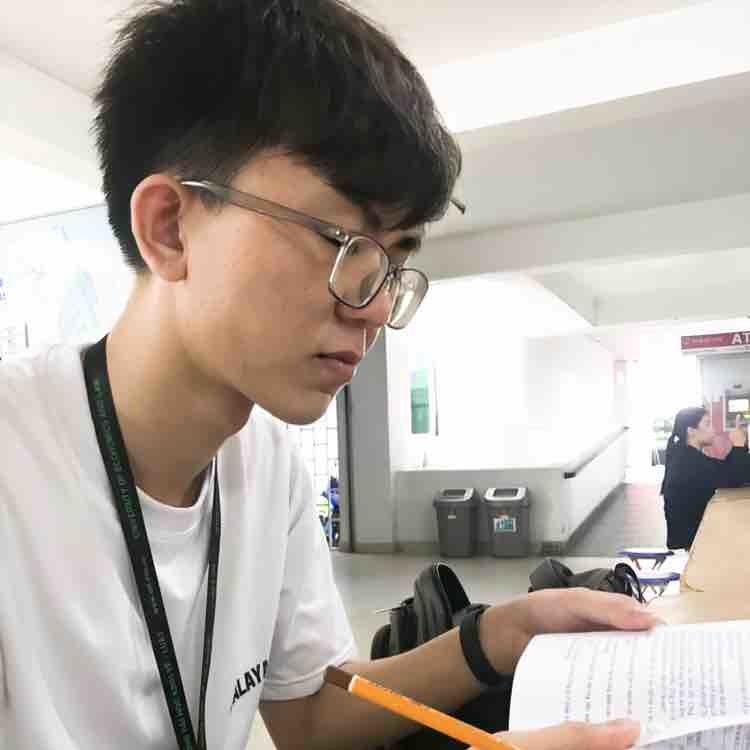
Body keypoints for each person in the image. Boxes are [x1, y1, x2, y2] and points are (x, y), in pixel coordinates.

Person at [0, 2, 660, 750]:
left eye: (394, 264)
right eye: (341, 241)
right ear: (170, 229)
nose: (374, 307)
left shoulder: (264, 465)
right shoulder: (18, 467)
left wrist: (505, 634)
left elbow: (312, 715)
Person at [661, 407, 750, 549]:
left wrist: (740, 445)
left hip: (696, 531)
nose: (713, 430)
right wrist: (738, 445)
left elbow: (724, 469)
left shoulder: (685, 454)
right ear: (691, 431)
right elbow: (733, 477)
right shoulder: (687, 461)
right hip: (693, 538)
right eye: (707, 424)